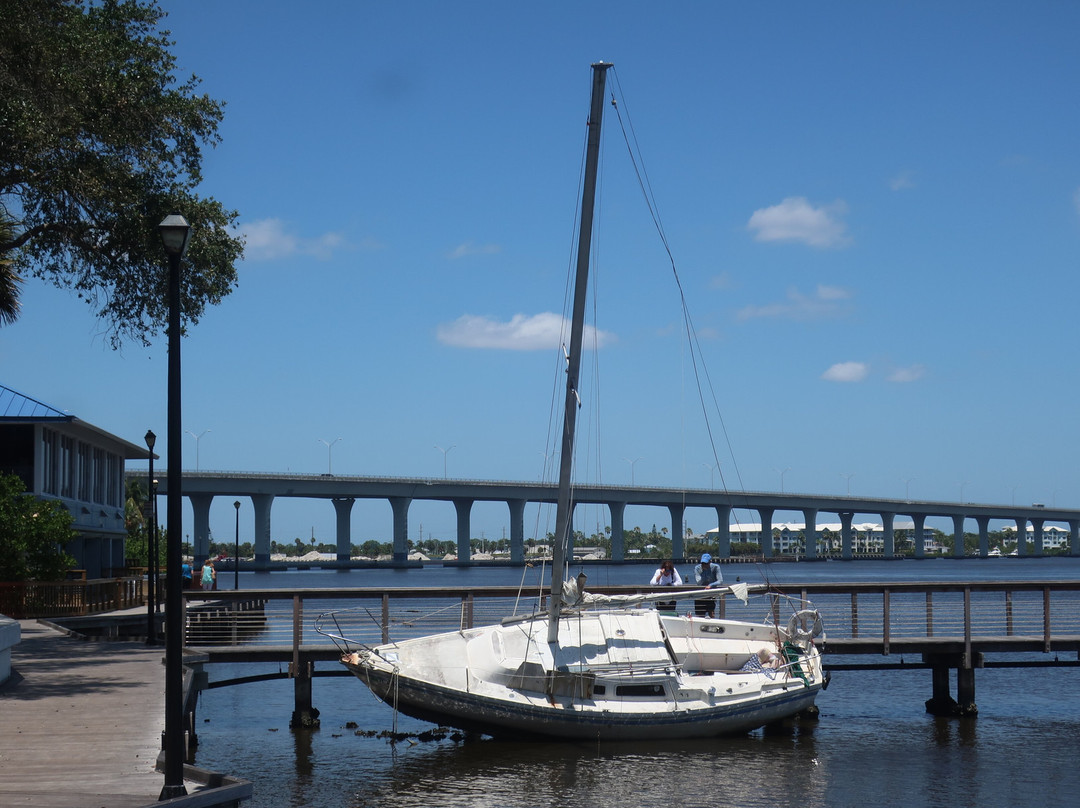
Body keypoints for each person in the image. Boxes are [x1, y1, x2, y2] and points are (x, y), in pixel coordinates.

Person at [693, 552, 722, 618]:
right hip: (700, 594)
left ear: (710, 562)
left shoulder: (716, 567)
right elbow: (698, 582)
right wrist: (704, 572)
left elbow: (720, 581)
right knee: (699, 616)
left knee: (711, 614)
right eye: (702, 563)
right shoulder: (697, 568)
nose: (704, 565)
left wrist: (711, 585)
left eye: (706, 563)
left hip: (711, 594)